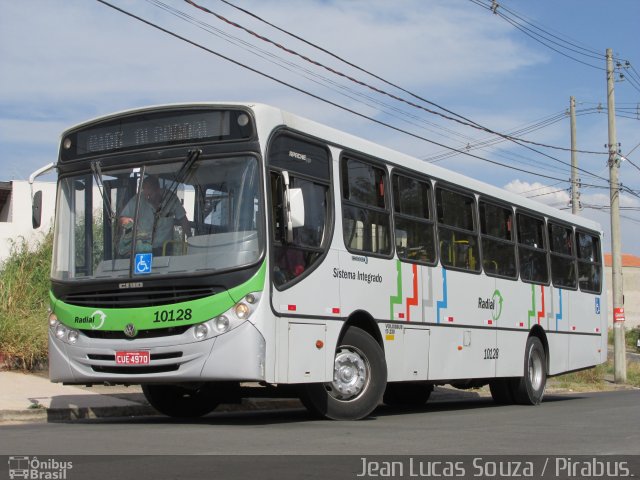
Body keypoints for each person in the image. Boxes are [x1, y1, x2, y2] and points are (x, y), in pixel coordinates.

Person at [118, 175, 191, 256]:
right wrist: (125, 221)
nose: (147, 197)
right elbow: (122, 218)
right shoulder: (138, 199)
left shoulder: (171, 199)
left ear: (157, 189)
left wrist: (191, 239)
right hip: (143, 248)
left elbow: (183, 219)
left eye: (150, 193)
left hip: (165, 248)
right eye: (145, 193)